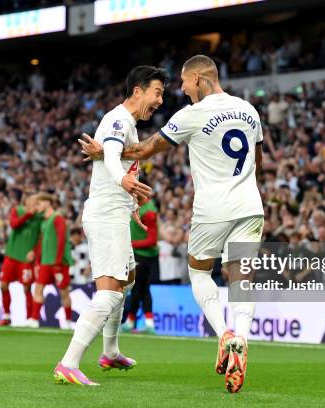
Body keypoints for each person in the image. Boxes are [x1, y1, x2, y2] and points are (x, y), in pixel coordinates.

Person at [81, 55, 264, 393]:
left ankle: (223, 333)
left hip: (213, 209)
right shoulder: (249, 110)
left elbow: (145, 150)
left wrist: (105, 151)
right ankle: (242, 335)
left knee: (199, 271)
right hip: (251, 205)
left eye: (184, 82)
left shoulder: (192, 114)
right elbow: (259, 161)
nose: (181, 89)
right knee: (242, 276)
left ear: (199, 78)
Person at [53, 66, 165, 386]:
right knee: (111, 292)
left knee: (127, 279)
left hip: (114, 213)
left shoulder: (127, 123)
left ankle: (111, 352)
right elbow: (114, 157)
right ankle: (69, 363)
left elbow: (113, 158)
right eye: (157, 92)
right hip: (105, 216)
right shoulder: (118, 119)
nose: (160, 100)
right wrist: (124, 181)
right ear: (137, 91)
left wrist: (131, 206)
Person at [26, 194, 73, 329]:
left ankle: (68, 322)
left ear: (47, 203)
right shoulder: (44, 221)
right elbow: (42, 242)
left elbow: (61, 240)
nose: (37, 207)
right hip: (46, 262)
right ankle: (34, 319)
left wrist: (58, 262)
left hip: (59, 263)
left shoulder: (58, 218)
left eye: (38, 204)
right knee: (38, 288)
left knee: (63, 292)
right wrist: (36, 256)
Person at [0, 193, 42, 326]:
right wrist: (28, 214)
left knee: (27, 288)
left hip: (26, 259)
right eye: (34, 200)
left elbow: (41, 237)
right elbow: (14, 224)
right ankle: (6, 316)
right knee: (3, 285)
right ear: (26, 201)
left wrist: (35, 251)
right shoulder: (17, 210)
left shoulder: (39, 217)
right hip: (11, 256)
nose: (36, 203)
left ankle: (29, 319)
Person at [122, 191, 159, 334]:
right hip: (139, 254)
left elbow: (152, 240)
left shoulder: (149, 212)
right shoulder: (138, 207)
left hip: (144, 256)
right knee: (142, 289)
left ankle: (134, 322)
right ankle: (143, 322)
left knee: (138, 288)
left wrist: (131, 243)